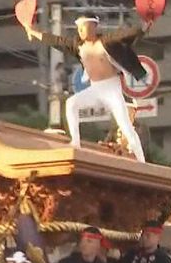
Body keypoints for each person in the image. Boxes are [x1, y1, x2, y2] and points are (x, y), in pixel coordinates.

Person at [24, 15, 152, 162]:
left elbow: (126, 35)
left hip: (112, 90)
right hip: (95, 90)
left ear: (93, 26)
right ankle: (75, 142)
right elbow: (56, 41)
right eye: (78, 28)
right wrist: (33, 32)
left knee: (125, 127)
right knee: (71, 103)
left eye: (83, 27)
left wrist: (142, 28)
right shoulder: (78, 46)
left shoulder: (107, 42)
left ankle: (141, 160)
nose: (80, 31)